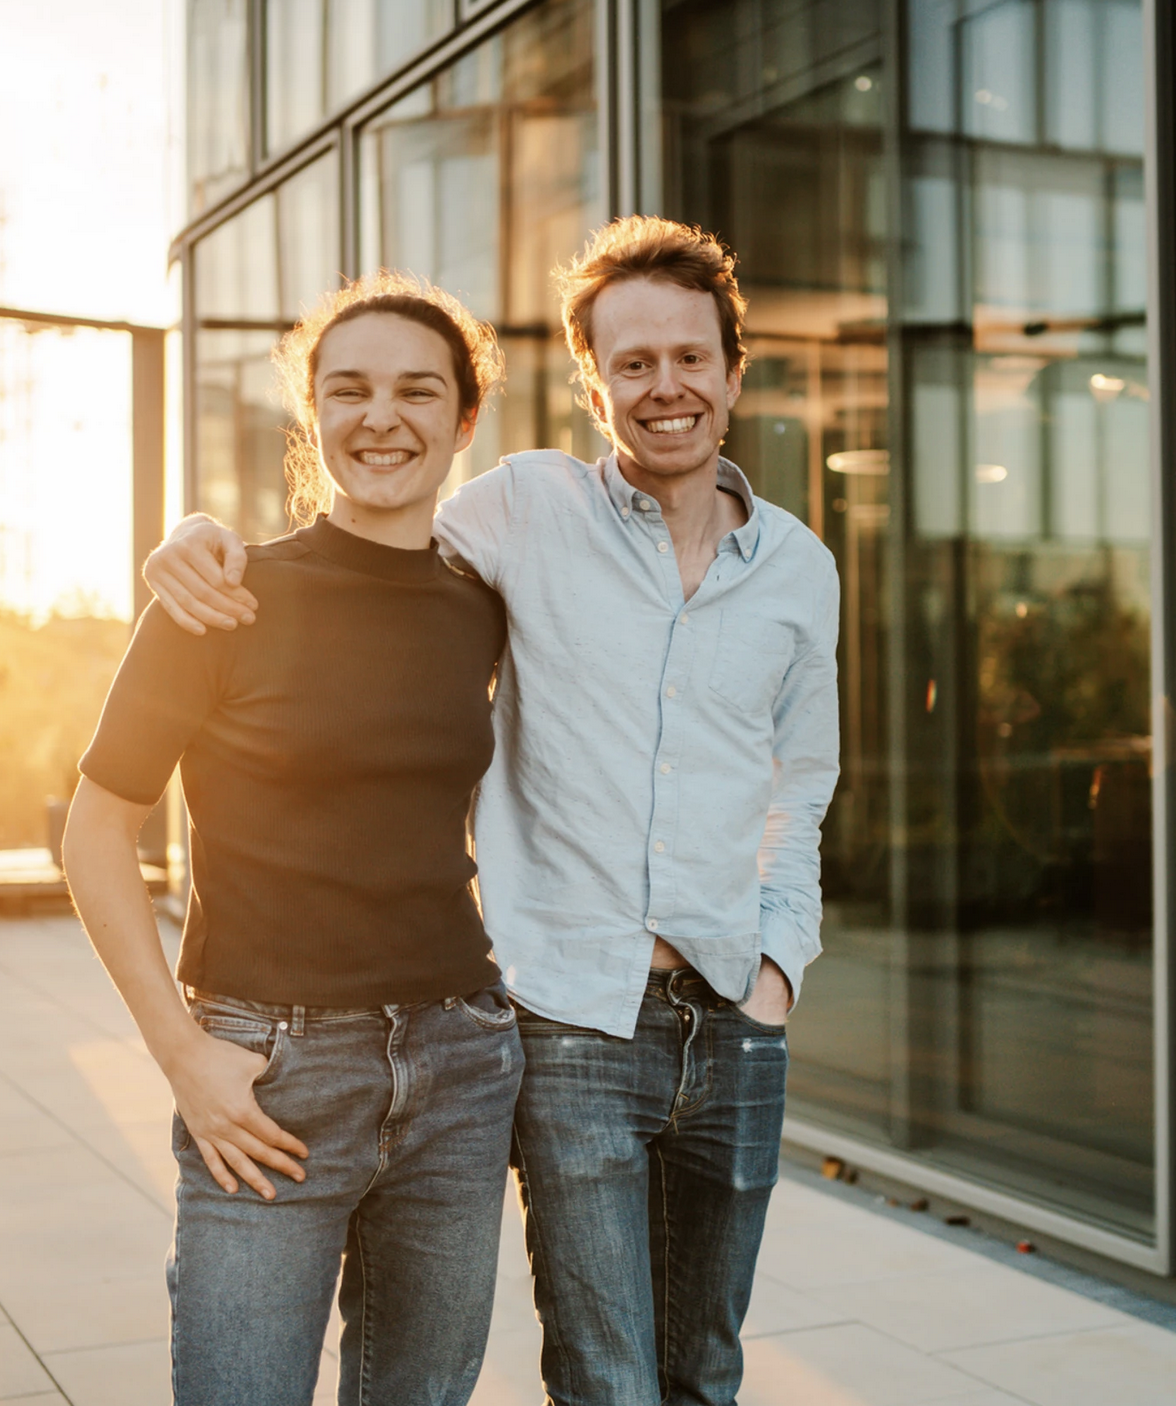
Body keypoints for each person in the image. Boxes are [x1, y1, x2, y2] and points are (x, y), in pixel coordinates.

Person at [145, 216, 841, 1406]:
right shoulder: (521, 510)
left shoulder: (797, 566)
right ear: (592, 385)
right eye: (631, 363)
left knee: (706, 1369)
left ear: (733, 371)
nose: (663, 387)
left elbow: (802, 775)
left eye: (687, 358)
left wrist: (780, 959)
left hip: (736, 1014)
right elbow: (365, 533)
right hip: (572, 1022)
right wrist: (203, 539)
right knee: (607, 1373)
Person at [64, 272, 521, 1406]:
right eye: (349, 390)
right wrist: (183, 1055)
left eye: (419, 391)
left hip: (458, 1065)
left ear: (465, 421)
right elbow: (95, 832)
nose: (382, 417)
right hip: (266, 1076)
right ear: (309, 416)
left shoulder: (485, 604)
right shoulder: (224, 594)